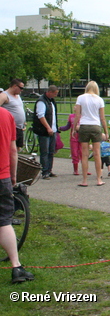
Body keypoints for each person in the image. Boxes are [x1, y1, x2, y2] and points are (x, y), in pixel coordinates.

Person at [0, 107, 35, 283]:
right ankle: (16, 266)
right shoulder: (7, 116)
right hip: (3, 176)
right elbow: (13, 150)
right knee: (4, 221)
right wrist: (13, 176)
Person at [72, 81, 108, 187]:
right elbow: (102, 118)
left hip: (84, 126)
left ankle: (84, 180)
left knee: (84, 154)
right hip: (96, 126)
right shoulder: (99, 99)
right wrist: (106, 131)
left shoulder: (81, 98)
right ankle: (98, 179)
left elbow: (77, 115)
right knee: (97, 154)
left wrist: (74, 128)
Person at [33, 85, 59, 180]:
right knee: (45, 151)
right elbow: (41, 115)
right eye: (55, 93)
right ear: (50, 92)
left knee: (51, 151)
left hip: (53, 130)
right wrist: (48, 127)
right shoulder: (42, 101)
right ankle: (44, 171)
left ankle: (49, 169)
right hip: (44, 131)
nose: (56, 95)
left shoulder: (51, 101)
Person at [0, 79, 26, 151]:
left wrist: (23, 122)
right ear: (15, 86)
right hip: (10, 127)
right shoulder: (4, 96)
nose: (22, 90)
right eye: (21, 88)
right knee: (11, 149)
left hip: (19, 127)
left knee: (17, 148)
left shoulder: (17, 96)